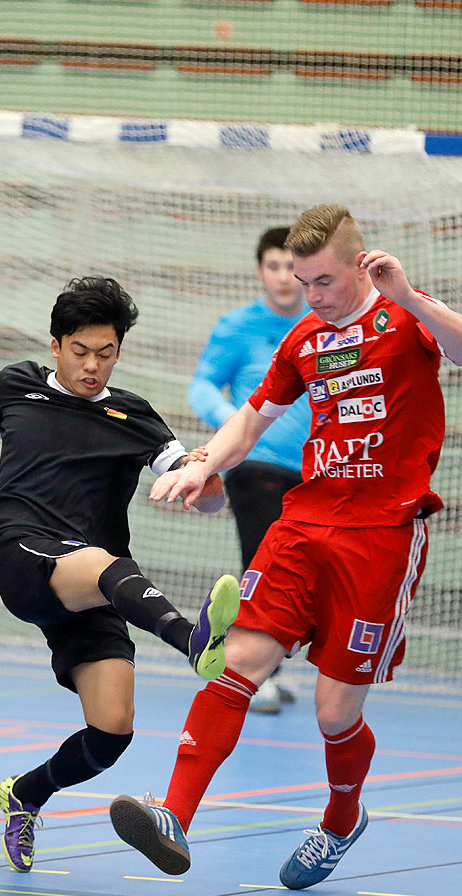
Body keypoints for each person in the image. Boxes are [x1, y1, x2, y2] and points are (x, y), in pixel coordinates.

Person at [109, 204, 462, 887]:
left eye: (322, 281)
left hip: (382, 535)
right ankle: (175, 815)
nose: (310, 295)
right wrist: (203, 465)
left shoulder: (404, 315)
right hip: (305, 522)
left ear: (359, 264)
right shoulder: (304, 339)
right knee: (240, 660)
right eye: (301, 280)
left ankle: (343, 818)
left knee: (334, 711)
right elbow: (252, 418)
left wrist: (406, 295)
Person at [0, 276, 240, 873]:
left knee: (111, 733)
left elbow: (206, 494)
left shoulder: (135, 417)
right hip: (26, 559)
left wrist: (205, 481)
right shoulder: (14, 387)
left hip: (98, 587)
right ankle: (191, 640)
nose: (92, 366)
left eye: (106, 353)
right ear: (56, 345)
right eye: (81, 352)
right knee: (105, 564)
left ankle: (26, 794)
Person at [189, 226, 309, 714]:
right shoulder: (237, 326)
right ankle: (245, 674)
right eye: (272, 265)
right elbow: (202, 386)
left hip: (316, 473)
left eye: (290, 266)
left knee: (296, 574)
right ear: (260, 270)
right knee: (262, 566)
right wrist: (237, 426)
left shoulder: (324, 325)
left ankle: (267, 667)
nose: (283, 277)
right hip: (255, 465)